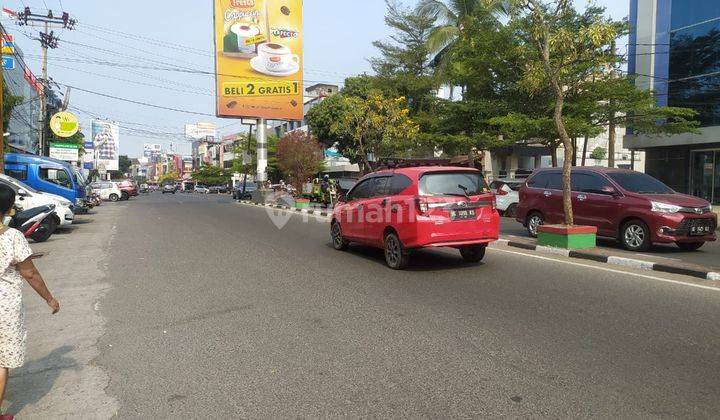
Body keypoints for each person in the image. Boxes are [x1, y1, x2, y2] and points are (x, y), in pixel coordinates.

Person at [0, 185, 60, 418]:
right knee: (1, 361)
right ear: (8, 209)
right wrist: (50, 299)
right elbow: (30, 274)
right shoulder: (12, 237)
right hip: (4, 308)